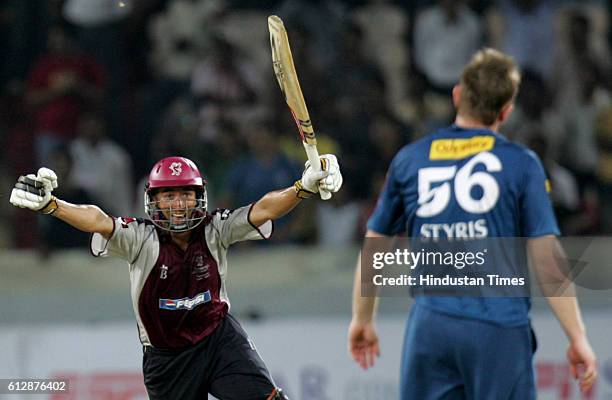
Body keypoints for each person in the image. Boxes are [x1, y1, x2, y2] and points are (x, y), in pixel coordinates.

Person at [348, 48, 597, 399]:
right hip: (497, 327)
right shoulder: (521, 164)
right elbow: (547, 261)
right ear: (506, 112)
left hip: (430, 326)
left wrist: (362, 318)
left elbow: (375, 244)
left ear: (457, 95)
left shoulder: (410, 159)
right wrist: (577, 337)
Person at [10, 154, 342, 400]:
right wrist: (52, 206)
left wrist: (302, 188)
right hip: (167, 359)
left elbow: (264, 209)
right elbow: (98, 220)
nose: (179, 204)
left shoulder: (216, 228)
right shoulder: (139, 237)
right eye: (169, 196)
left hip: (218, 339)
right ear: (153, 201)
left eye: (185, 194)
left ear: (199, 197)